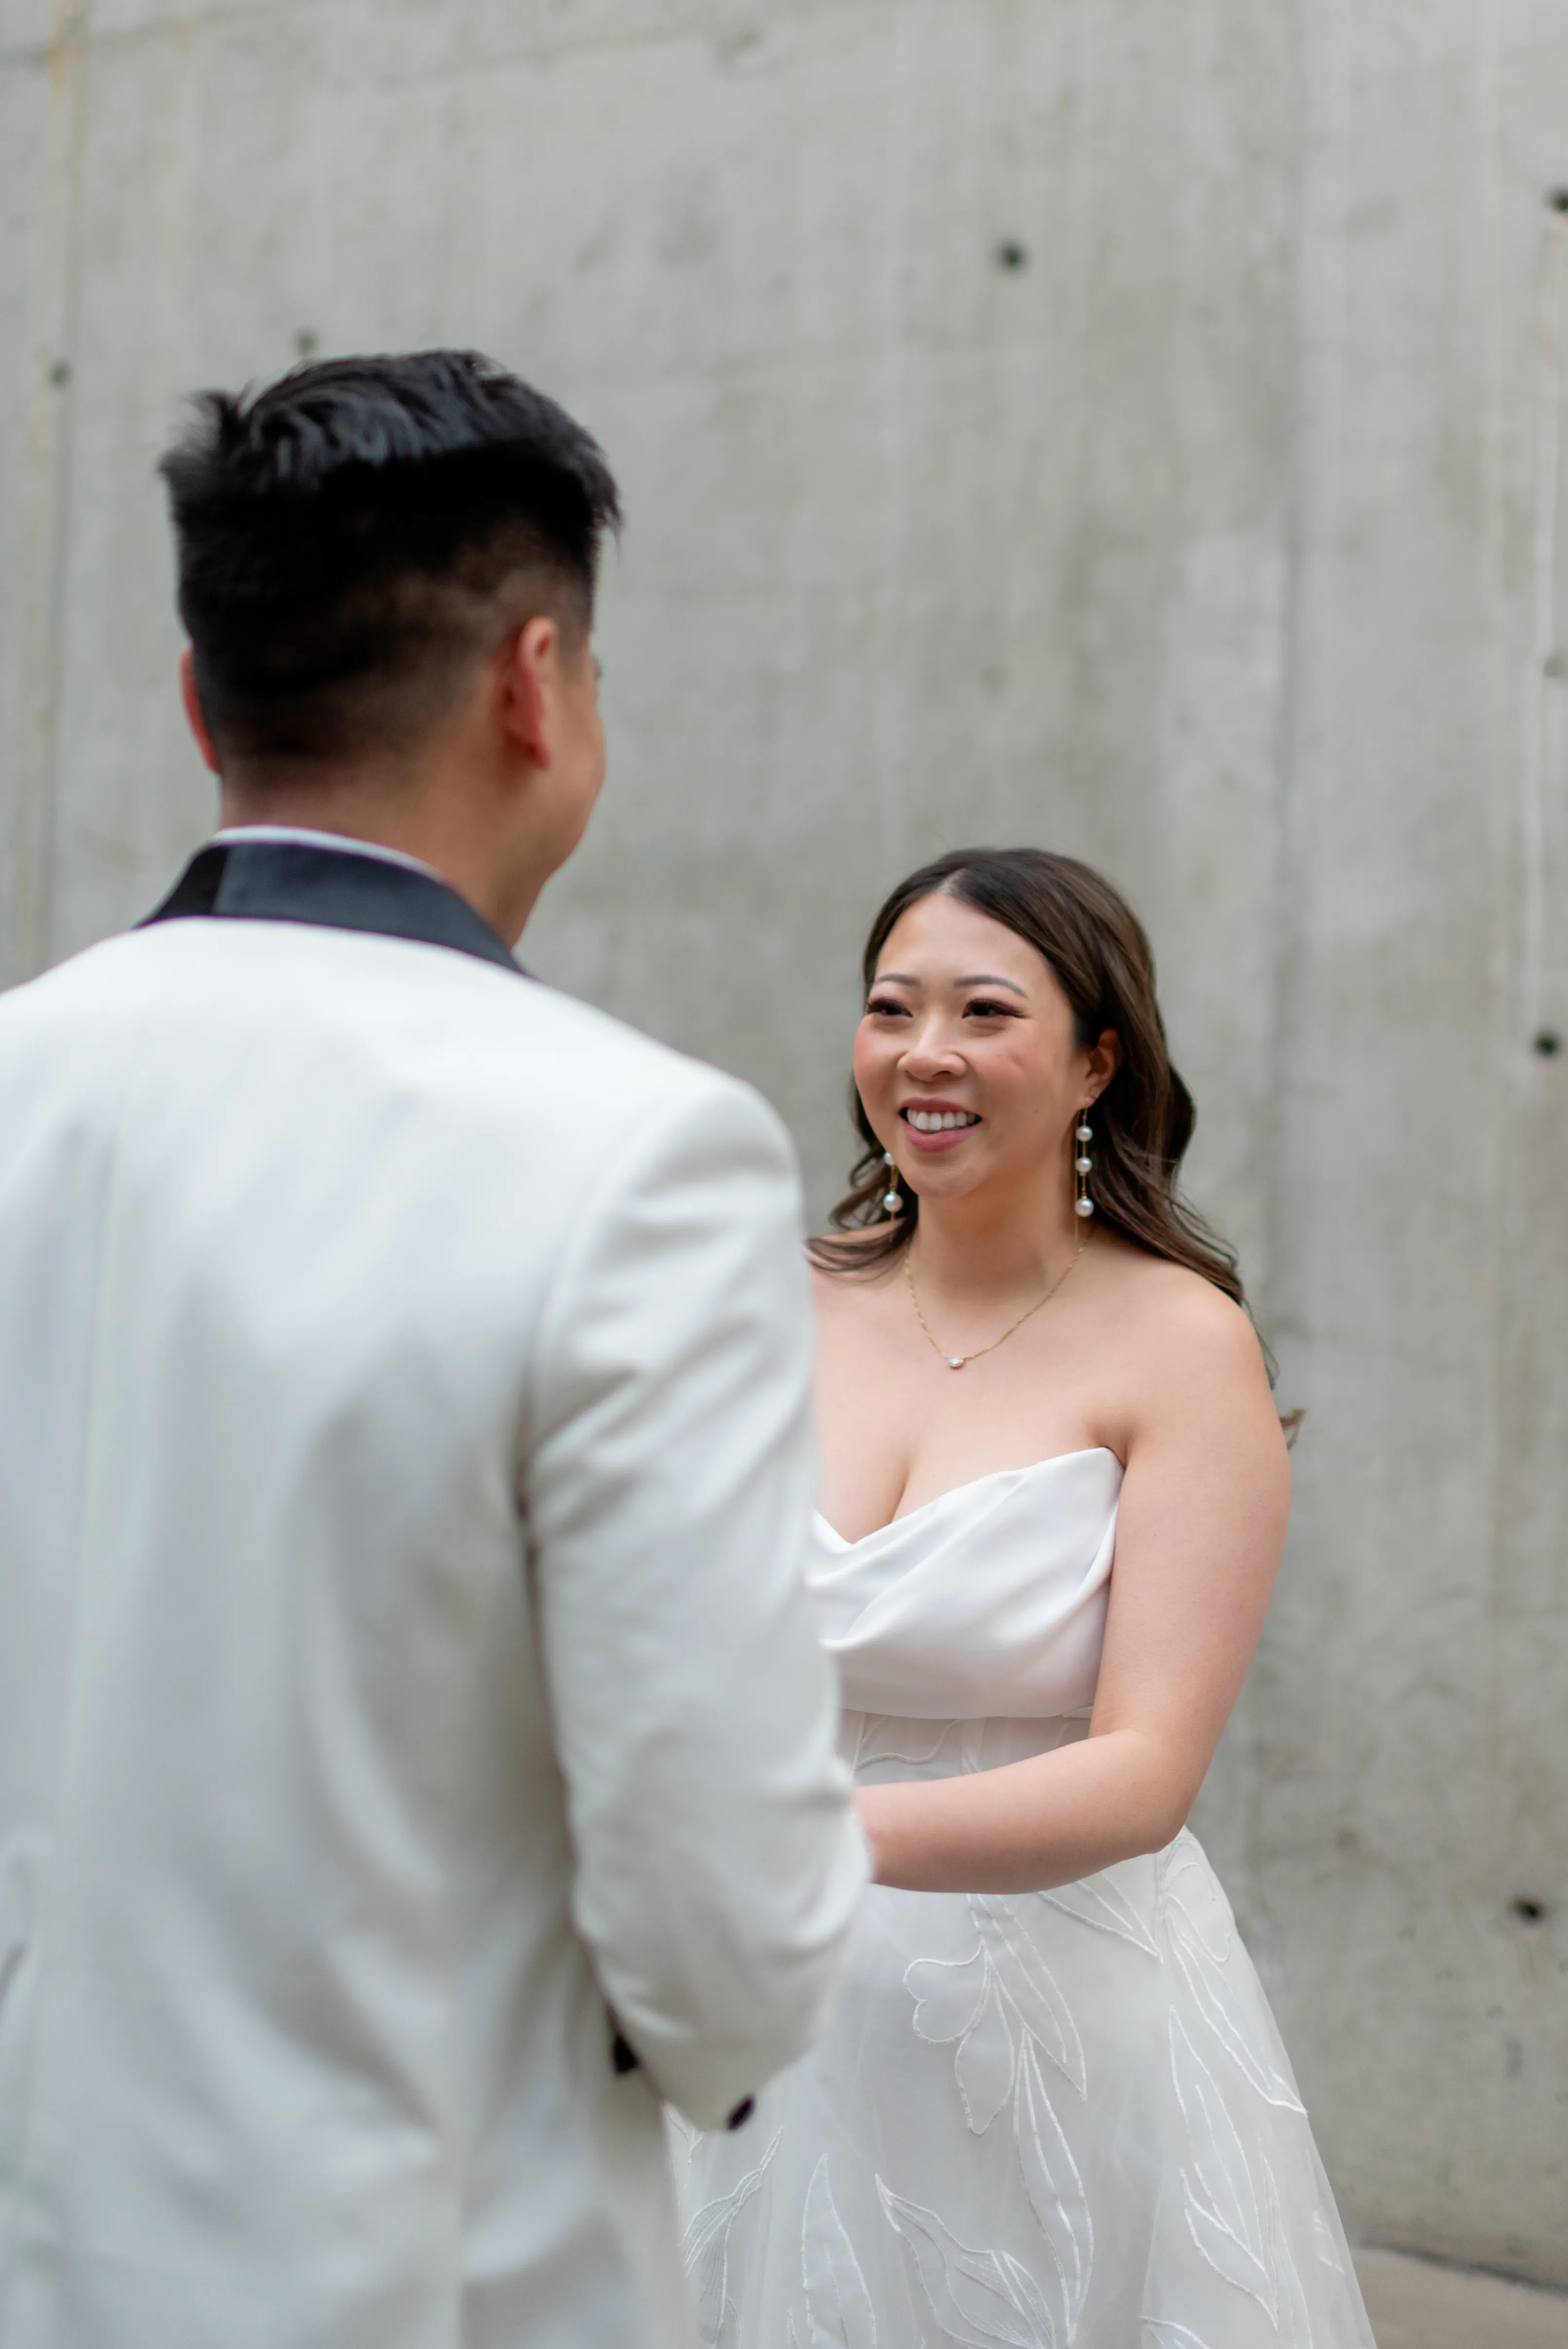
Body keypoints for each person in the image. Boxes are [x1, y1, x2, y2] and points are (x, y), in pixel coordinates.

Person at [0, 351, 866, 2349]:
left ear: (205, 702)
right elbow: (721, 1918)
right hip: (413, 2271)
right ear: (534, 685)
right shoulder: (632, 1153)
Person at [676, 847, 1375, 2348]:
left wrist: (783, 1841)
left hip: (1046, 2030)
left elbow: (1143, 1772)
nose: (924, 1053)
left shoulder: (1180, 1344)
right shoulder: (764, 1299)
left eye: (983, 1012)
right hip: (756, 2008)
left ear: (1095, 1062)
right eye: (889, 1008)